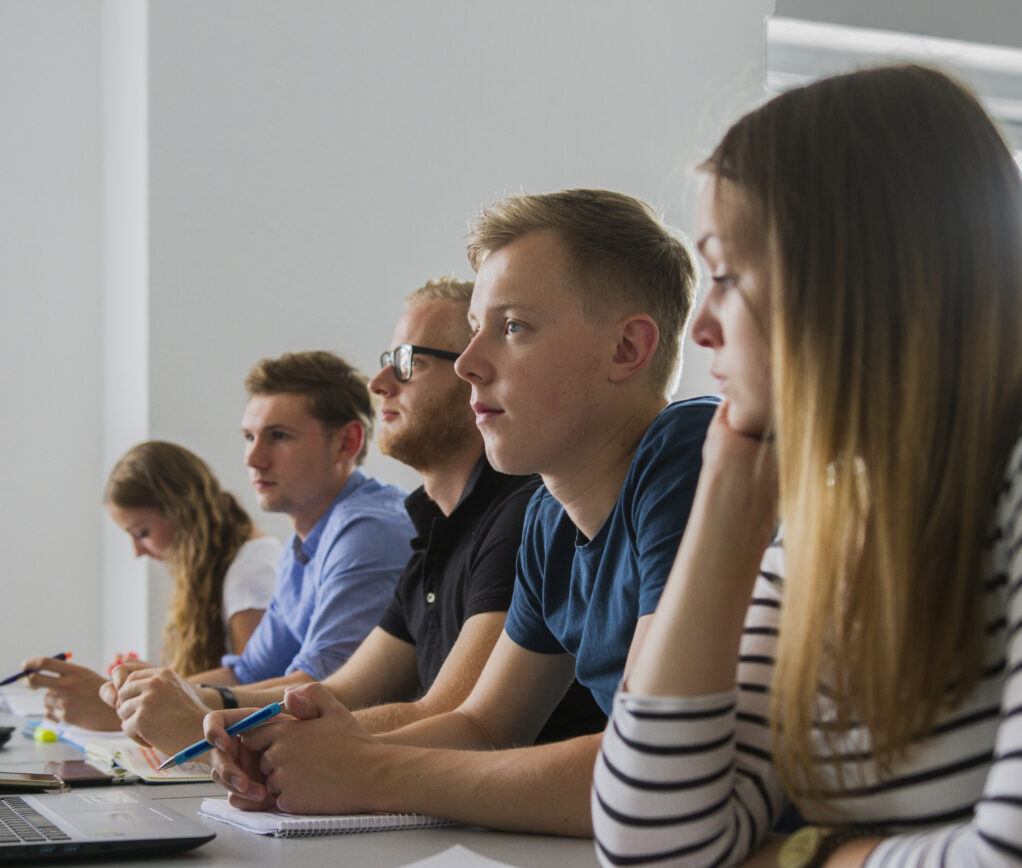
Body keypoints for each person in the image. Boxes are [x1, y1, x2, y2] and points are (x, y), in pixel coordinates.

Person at [591, 64, 1022, 868]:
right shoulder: (832, 527)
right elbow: (650, 846)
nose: (699, 327)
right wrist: (727, 501)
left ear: (856, 279)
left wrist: (801, 863)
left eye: (724, 275)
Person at [202, 188, 716, 837]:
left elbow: (653, 769)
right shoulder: (547, 519)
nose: (470, 364)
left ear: (625, 350)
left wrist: (366, 773)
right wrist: (296, 760)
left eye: (513, 327)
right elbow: (485, 724)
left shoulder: (690, 453)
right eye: (476, 329)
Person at [103, 278, 602, 754]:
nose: (379, 382)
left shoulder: (519, 514)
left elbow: (454, 715)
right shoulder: (433, 530)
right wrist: (200, 705)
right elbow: (345, 689)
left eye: (409, 362)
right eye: (388, 360)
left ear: (473, 376)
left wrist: (221, 727)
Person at [30, 351, 414, 734]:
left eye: (279, 436)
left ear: (347, 443)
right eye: (249, 436)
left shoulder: (368, 531)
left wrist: (136, 710)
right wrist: (133, 696)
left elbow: (321, 692)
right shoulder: (302, 545)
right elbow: (247, 671)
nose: (253, 458)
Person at [24, 441, 280, 729]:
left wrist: (131, 700)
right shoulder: (229, 564)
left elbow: (252, 685)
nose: (137, 551)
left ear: (181, 510)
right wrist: (147, 679)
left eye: (142, 532)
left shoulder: (252, 570)